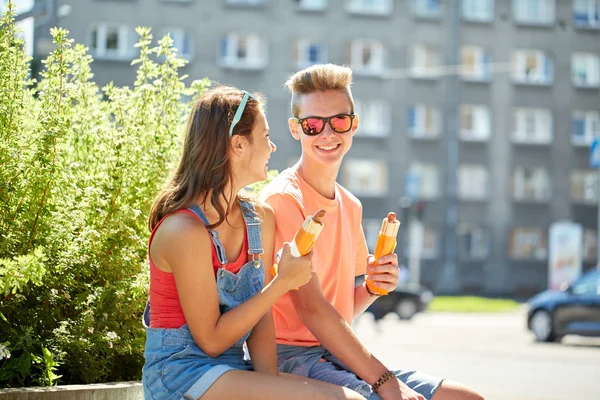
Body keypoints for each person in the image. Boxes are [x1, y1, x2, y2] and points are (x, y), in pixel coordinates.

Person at [260, 64, 485, 400]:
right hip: (291, 359)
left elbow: (339, 310)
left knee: (466, 398)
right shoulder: (283, 199)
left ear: (355, 124)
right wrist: (386, 383)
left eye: (338, 120)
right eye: (312, 124)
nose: (327, 134)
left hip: (335, 352)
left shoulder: (350, 205)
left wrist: (372, 286)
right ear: (295, 129)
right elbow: (312, 310)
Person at [142, 85, 367, 400]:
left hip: (232, 371)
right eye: (265, 137)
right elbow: (211, 340)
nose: (272, 147)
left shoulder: (259, 217)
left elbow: (261, 320)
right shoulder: (184, 230)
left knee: (353, 397)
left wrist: (273, 385)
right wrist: (281, 284)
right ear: (238, 145)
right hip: (181, 374)